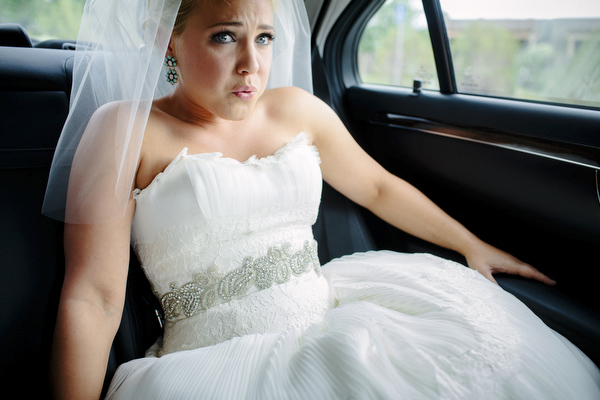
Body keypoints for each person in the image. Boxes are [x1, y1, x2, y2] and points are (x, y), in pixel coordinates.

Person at [45, 0, 600, 399]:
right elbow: (93, 297)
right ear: (169, 37)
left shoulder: (297, 109)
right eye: (224, 36)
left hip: (336, 322)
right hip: (213, 365)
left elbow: (378, 186)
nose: (251, 65)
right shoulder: (125, 130)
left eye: (264, 37)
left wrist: (471, 245)